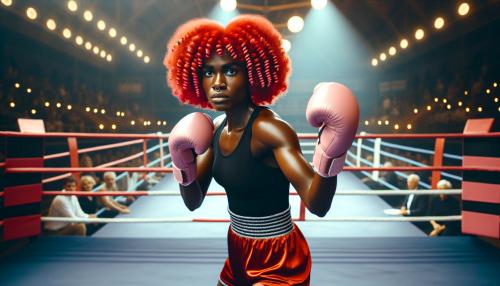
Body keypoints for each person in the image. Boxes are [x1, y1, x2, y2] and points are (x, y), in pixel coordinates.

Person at [164, 15, 359, 285]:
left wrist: (330, 154)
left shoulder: (270, 131)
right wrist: (182, 166)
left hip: (278, 257)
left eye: (231, 70)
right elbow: (193, 201)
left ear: (253, 74)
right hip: (237, 248)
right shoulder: (214, 129)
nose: (218, 82)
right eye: (209, 72)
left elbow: (318, 204)